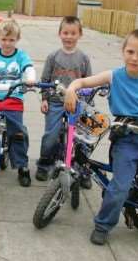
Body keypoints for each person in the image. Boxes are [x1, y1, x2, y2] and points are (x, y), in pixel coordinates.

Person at [64, 29, 138, 257]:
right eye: (130, 51)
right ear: (123, 52)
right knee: (119, 186)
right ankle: (103, 225)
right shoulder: (114, 76)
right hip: (126, 136)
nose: (134, 58)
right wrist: (71, 89)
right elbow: (82, 81)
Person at [35, 16, 92, 188]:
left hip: (77, 103)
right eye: (65, 33)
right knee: (51, 135)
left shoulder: (84, 58)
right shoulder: (53, 57)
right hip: (55, 102)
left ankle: (83, 168)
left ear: (79, 35)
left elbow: (88, 82)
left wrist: (87, 102)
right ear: (60, 34)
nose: (69, 36)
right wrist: (44, 99)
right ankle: (45, 163)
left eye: (73, 33)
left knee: (84, 137)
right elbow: (45, 79)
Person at [0, 19, 36, 187]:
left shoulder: (20, 56)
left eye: (11, 40)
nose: (7, 43)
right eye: (4, 39)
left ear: (17, 39)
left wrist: (30, 77)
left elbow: (28, 67)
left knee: (17, 133)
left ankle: (22, 166)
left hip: (13, 99)